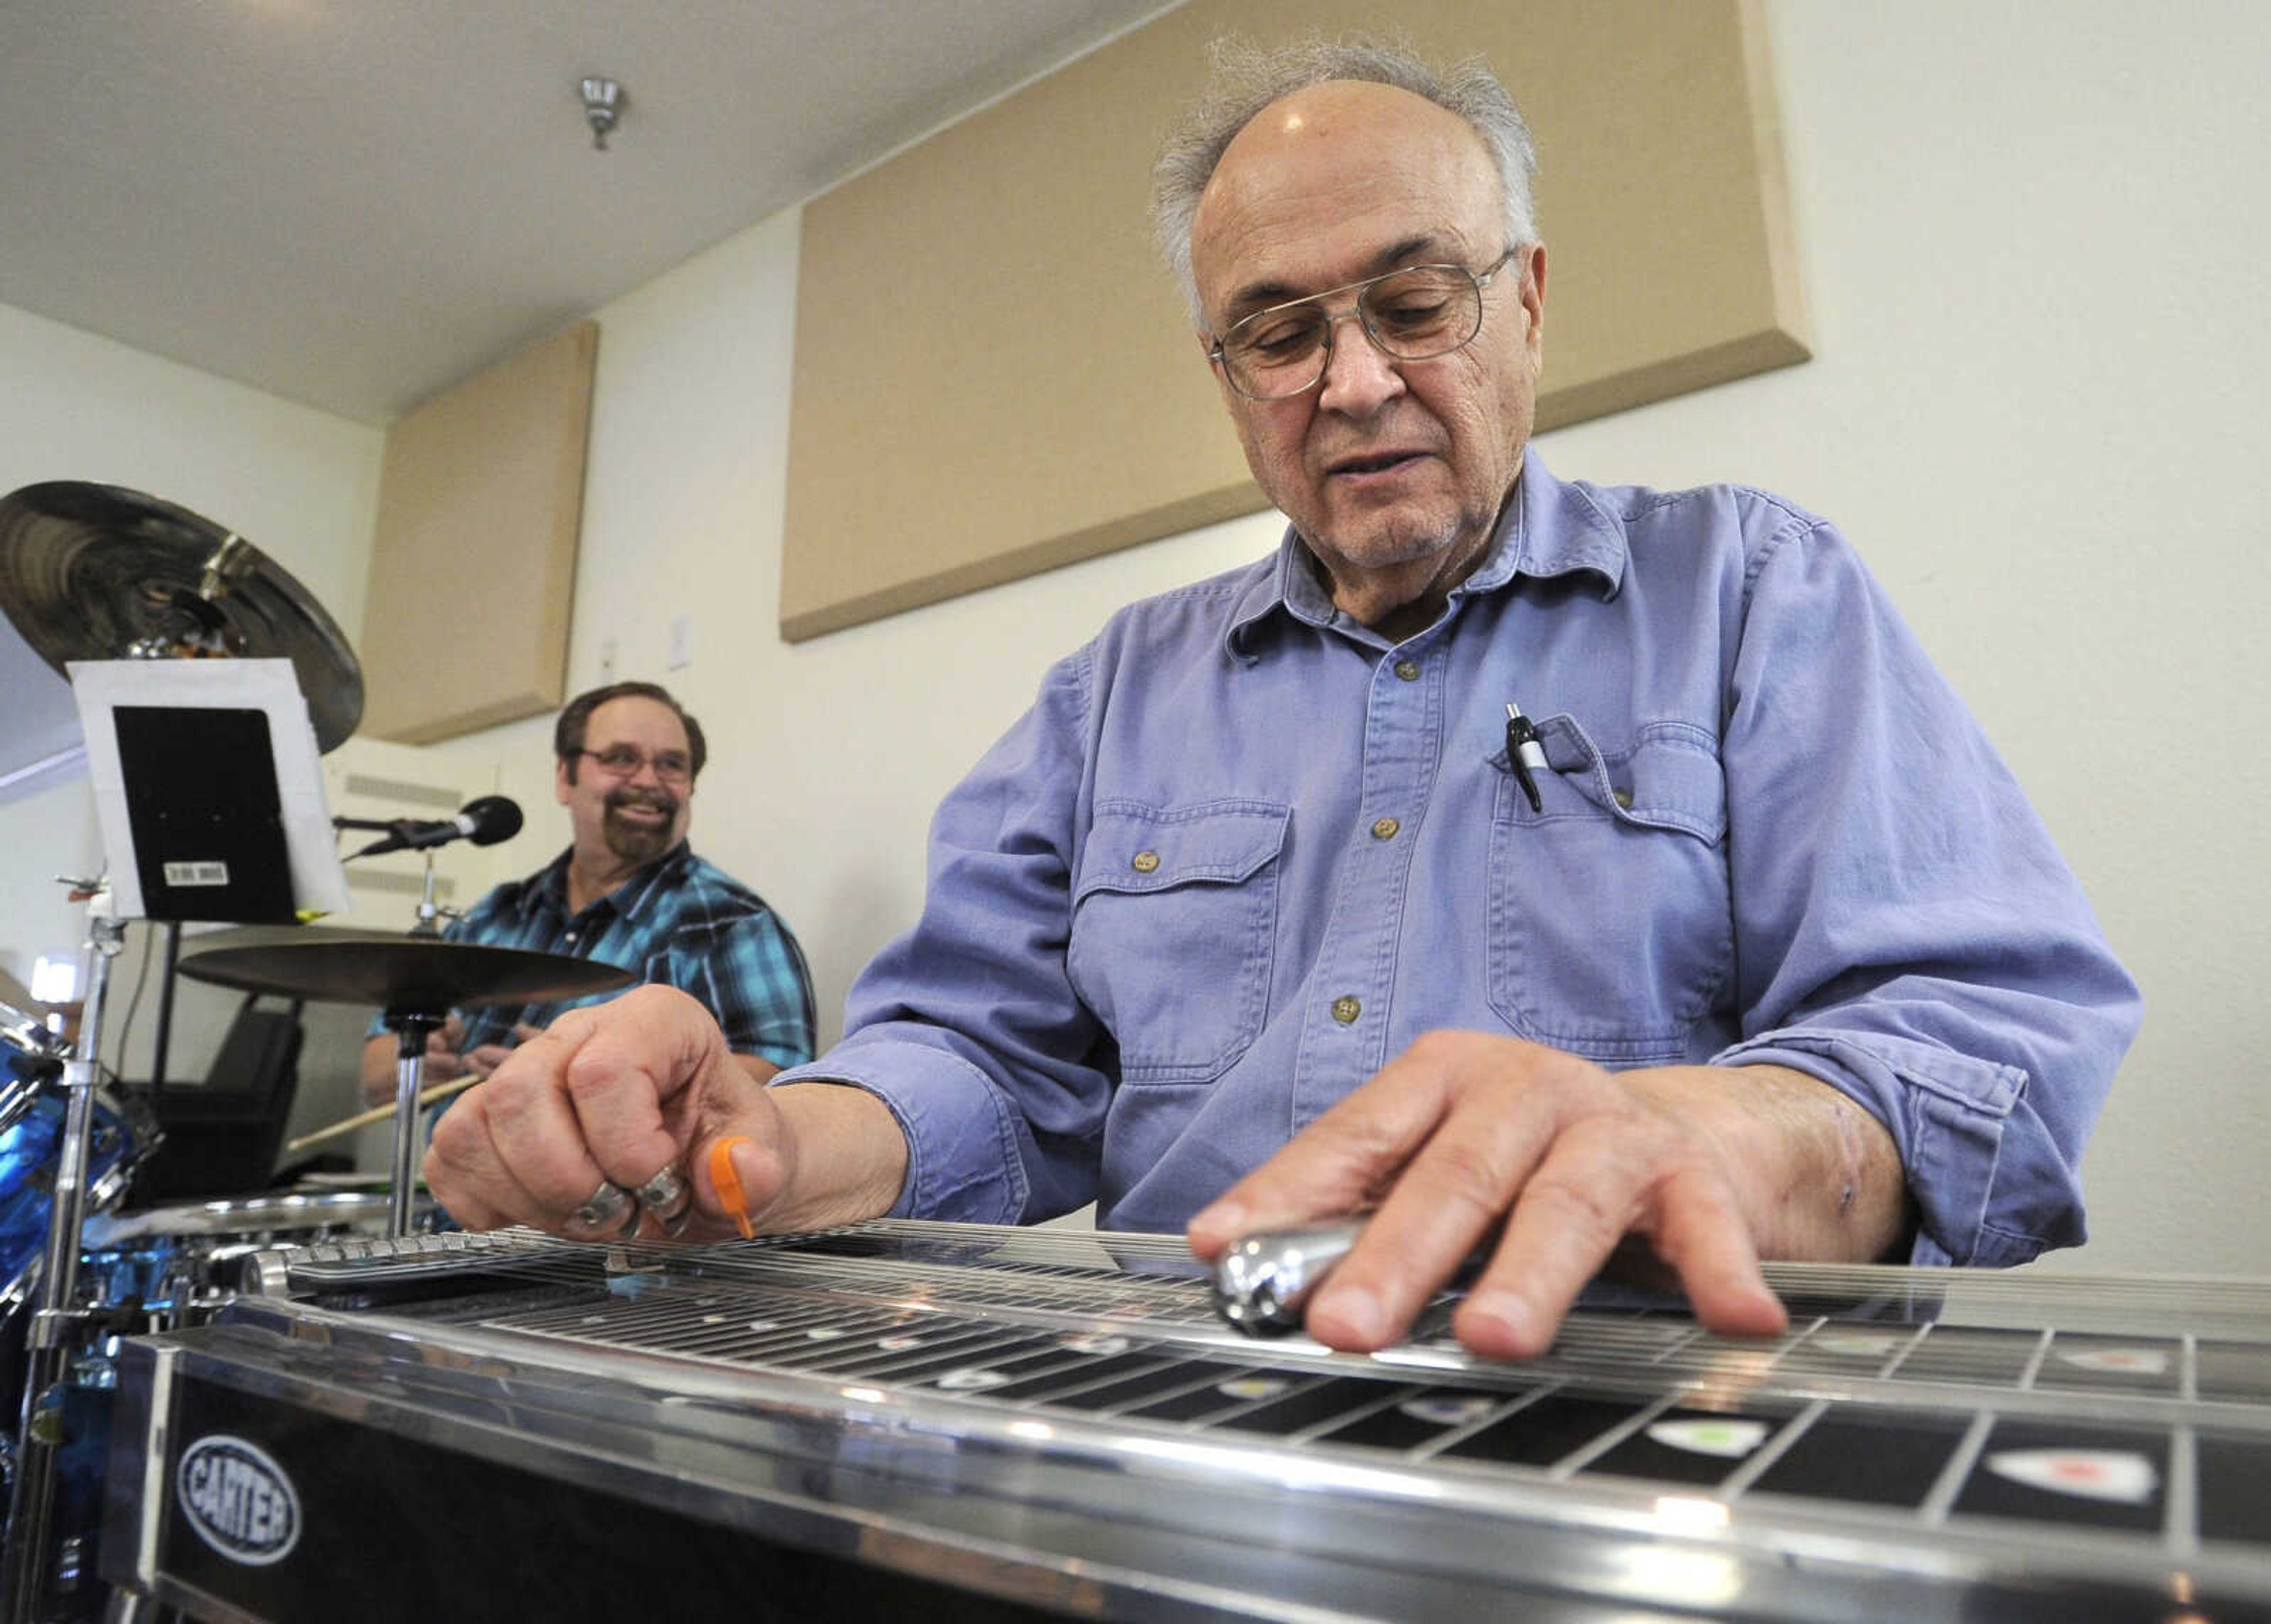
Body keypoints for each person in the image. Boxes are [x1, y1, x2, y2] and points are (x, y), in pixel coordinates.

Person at [426, 40, 2140, 1358]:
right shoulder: (1110, 695)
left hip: (1640, 1410)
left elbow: (1978, 1038)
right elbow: (978, 1059)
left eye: (1415, 299)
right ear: (1227, 378)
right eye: (1280, 330)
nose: (1360, 380)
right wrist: (766, 1144)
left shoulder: (1754, 591)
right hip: (1179, 1404)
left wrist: (1710, 1130)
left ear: (1527, 305)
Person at [357, 680, 815, 1107]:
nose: (648, 781)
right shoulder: (495, 916)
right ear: (564, 778)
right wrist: (417, 1061)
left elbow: (781, 1087)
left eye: (672, 764)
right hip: (455, 1191)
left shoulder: (731, 925)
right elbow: (375, 1073)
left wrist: (585, 1079)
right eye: (621, 758)